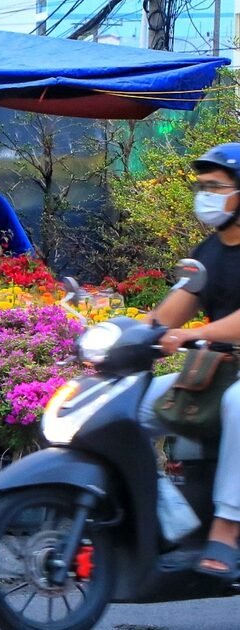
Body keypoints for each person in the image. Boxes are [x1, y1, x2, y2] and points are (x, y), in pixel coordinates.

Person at [139, 142, 240, 581]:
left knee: (239, 405)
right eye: (202, 187)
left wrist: (195, 334)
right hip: (215, 371)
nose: (206, 196)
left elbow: (198, 328)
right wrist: (126, 334)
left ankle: (226, 528)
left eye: (215, 187)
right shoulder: (210, 250)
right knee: (132, 406)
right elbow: (171, 311)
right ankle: (167, 517)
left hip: (229, 377)